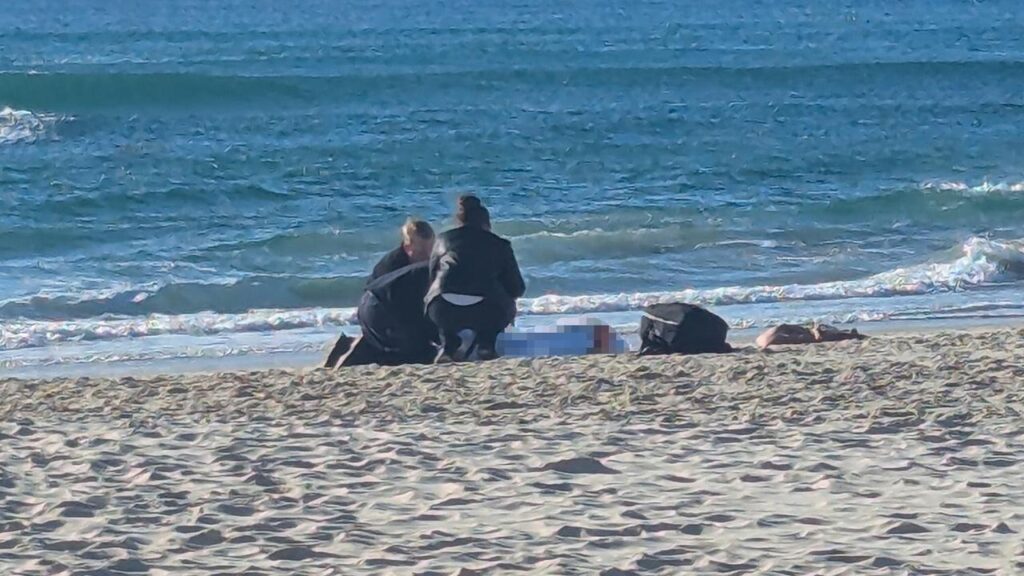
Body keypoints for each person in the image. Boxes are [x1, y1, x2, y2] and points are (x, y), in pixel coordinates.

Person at [425, 195, 526, 362]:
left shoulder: (442, 240)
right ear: (486, 223)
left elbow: (431, 278)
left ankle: (448, 346)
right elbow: (517, 288)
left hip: (441, 309)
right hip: (485, 310)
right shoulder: (500, 245)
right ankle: (486, 344)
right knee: (507, 303)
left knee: (435, 298)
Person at [329, 261, 438, 368]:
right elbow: (441, 315)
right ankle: (360, 353)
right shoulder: (446, 276)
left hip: (370, 302)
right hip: (383, 309)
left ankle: (356, 345)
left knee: (422, 347)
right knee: (422, 354)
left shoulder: (438, 267)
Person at [369, 218, 434, 282]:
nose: (428, 257)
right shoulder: (391, 268)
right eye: (421, 252)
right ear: (407, 247)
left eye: (432, 250)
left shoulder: (434, 259)